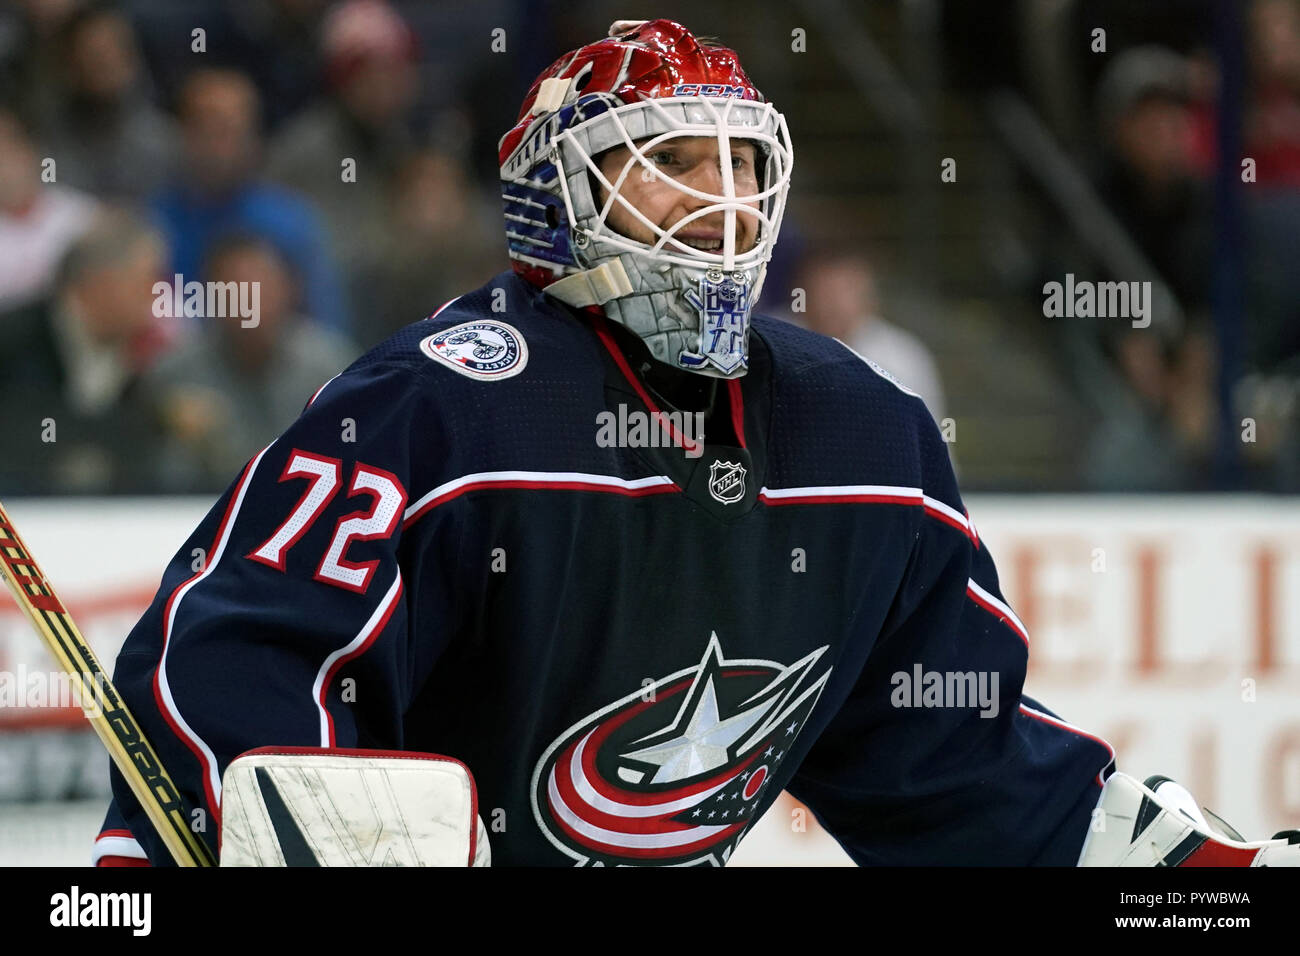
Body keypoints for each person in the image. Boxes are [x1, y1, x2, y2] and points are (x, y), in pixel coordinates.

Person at [93, 20, 1296, 867]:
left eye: (738, 160)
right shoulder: (437, 408)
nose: (718, 196)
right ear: (554, 197)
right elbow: (231, 671)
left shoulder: (861, 429)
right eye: (669, 159)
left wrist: (1178, 885)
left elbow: (955, 769)